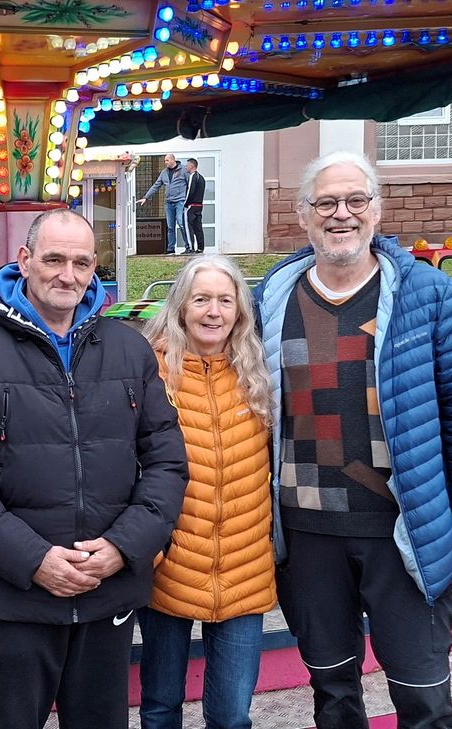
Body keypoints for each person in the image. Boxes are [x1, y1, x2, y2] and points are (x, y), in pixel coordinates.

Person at [254, 151, 452, 728]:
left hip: (403, 532)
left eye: (355, 200)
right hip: (307, 533)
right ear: (302, 215)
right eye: (325, 203)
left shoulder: (430, 296)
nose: (341, 214)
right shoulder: (271, 299)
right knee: (332, 692)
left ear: (376, 209)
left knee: (422, 695)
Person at [0, 208, 188, 729]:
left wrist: (123, 548)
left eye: (82, 263)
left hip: (105, 592)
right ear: (24, 260)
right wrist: (33, 559)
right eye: (54, 260)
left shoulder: (129, 350)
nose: (68, 275)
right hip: (12, 597)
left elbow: (167, 463)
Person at [138, 255, 275, 729]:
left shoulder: (259, 370)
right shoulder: (150, 372)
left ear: (240, 309)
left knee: (232, 716)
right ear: (181, 306)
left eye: (225, 300)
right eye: (201, 300)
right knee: (160, 707)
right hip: (169, 567)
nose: (213, 311)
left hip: (243, 568)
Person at [138, 154, 189, 254]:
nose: (165, 162)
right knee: (170, 227)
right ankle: (171, 248)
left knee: (181, 223)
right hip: (168, 202)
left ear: (173, 160)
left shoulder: (183, 170)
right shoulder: (164, 172)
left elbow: (190, 184)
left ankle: (188, 246)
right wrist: (145, 197)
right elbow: (156, 186)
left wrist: (190, 199)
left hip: (180, 201)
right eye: (165, 161)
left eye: (167, 160)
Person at [183, 159, 206, 255]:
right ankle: (200, 248)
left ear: (191, 166)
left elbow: (190, 192)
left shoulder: (193, 176)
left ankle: (190, 248)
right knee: (198, 227)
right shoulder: (201, 178)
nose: (186, 167)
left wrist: (185, 204)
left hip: (191, 207)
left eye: (187, 165)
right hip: (199, 206)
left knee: (188, 227)